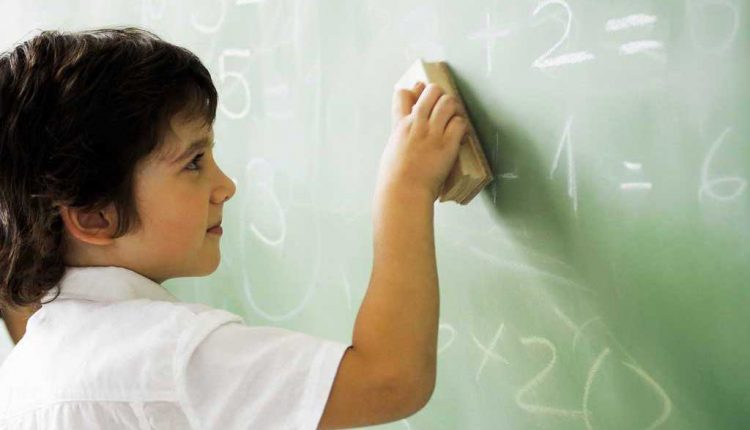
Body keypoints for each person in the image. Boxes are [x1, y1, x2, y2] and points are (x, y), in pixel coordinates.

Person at [0, 27, 467, 429]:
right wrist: (406, 186)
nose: (225, 186)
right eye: (193, 162)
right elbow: (389, 379)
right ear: (95, 217)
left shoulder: (21, 378)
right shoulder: (169, 356)